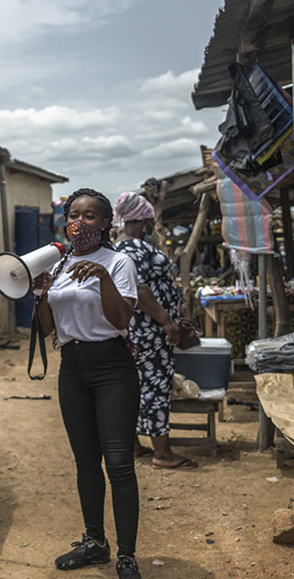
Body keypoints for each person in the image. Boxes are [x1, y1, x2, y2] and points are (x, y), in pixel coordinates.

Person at [32, 187, 146, 579]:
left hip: (112, 368)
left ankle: (128, 557)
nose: (81, 222)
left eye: (91, 215)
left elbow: (120, 320)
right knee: (85, 463)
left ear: (106, 223)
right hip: (73, 369)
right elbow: (47, 329)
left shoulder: (118, 263)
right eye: (74, 214)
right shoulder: (60, 265)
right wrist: (42, 294)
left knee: (118, 465)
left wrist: (100, 278)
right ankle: (95, 542)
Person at [114, 192, 197, 470]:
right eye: (150, 221)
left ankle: (135, 446)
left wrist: (172, 316)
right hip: (149, 332)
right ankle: (162, 453)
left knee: (137, 387)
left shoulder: (122, 247)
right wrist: (166, 322)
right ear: (145, 223)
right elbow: (139, 290)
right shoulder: (133, 249)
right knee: (156, 388)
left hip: (142, 330)